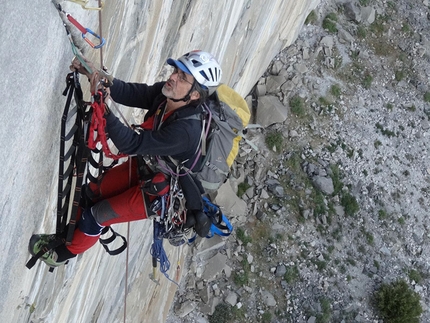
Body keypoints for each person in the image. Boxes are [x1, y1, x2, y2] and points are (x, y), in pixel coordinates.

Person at [30, 50, 223, 267]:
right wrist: (98, 76)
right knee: (90, 193)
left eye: (182, 77)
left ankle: (60, 254)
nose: (173, 77)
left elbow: (132, 143)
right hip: (148, 167)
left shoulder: (186, 131)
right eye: (176, 71)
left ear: (195, 95)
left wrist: (103, 110)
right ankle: (69, 236)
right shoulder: (168, 96)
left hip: (160, 191)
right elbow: (133, 93)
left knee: (97, 215)